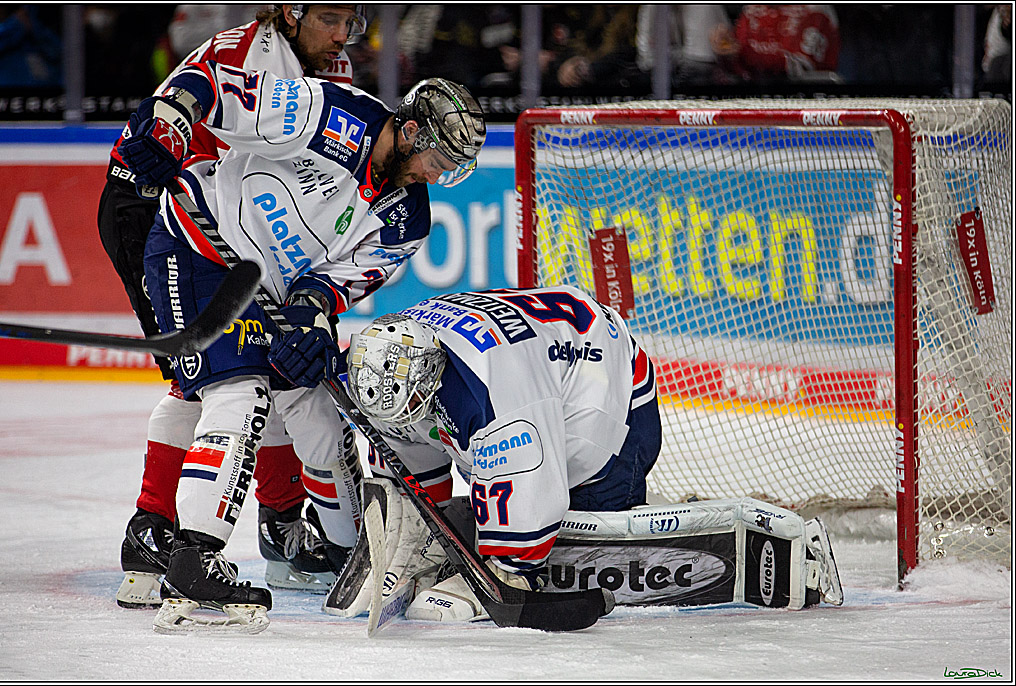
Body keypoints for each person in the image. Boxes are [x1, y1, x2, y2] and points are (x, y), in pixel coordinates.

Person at [116, 58, 485, 631]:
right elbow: (213, 85)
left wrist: (310, 317)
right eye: (436, 163)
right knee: (238, 394)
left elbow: (340, 278)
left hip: (267, 290)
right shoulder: (331, 112)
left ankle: (344, 554)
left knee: (313, 408)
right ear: (411, 131)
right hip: (199, 246)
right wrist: (169, 119)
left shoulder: (409, 219)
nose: (435, 178)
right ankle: (193, 557)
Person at [336, 288, 845, 622]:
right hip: (549, 354)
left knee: (587, 545)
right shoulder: (389, 359)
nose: (405, 422)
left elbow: (528, 520)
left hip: (606, 396)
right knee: (483, 492)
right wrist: (417, 530)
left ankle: (796, 556)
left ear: (436, 374)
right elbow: (403, 450)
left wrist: (499, 572)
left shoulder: (497, 395)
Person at [102, 5, 367, 612]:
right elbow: (178, 104)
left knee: (272, 368)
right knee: (207, 381)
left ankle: (278, 524)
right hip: (162, 217)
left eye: (351, 20)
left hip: (248, 232)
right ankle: (153, 532)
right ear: (290, 13)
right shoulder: (237, 53)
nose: (341, 34)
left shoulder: (334, 65)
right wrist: (161, 134)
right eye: (330, 18)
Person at [343, 286, 662, 619]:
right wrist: (421, 522)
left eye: (411, 401)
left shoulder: (493, 387)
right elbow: (400, 438)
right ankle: (440, 540)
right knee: (412, 423)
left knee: (580, 530)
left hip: (605, 377)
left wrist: (509, 565)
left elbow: (530, 481)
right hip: (529, 347)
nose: (407, 410)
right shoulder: (390, 359)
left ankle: (510, 567)